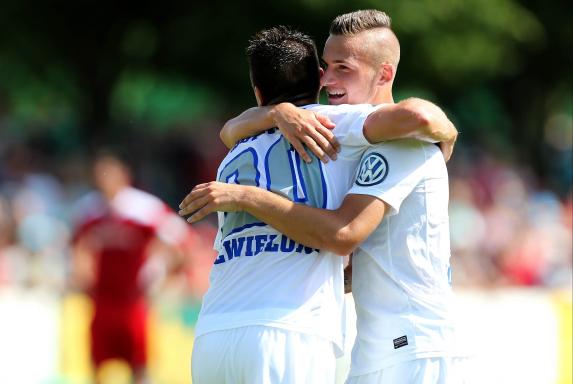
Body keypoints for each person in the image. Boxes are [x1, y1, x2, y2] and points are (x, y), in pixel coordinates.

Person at [180, 10, 467, 384]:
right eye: (325, 67)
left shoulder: (399, 142)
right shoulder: (342, 140)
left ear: (383, 74)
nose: (327, 79)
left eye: (342, 68)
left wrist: (448, 132)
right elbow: (229, 128)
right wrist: (280, 112)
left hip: (415, 349)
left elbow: (342, 233)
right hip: (377, 349)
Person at [71, 150, 200, 384]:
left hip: (133, 301)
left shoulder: (142, 208)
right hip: (102, 300)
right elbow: (78, 246)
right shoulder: (90, 209)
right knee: (97, 361)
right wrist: (82, 273)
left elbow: (179, 239)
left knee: (138, 364)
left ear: (123, 175)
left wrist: (162, 274)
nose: (104, 180)